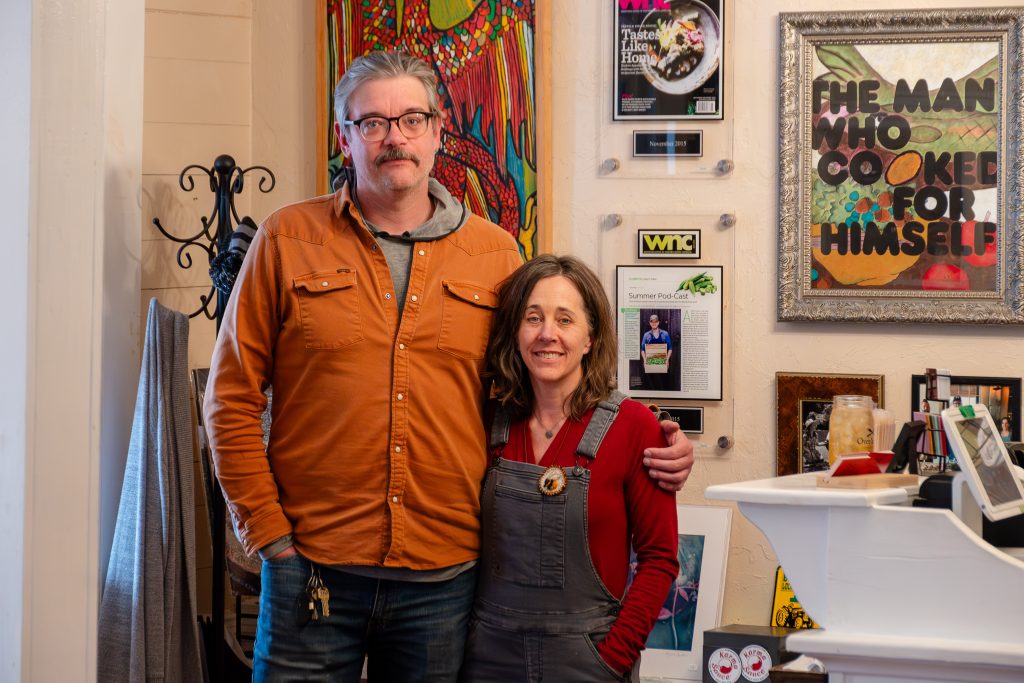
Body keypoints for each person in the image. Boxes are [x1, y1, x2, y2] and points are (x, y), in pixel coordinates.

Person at [203, 50, 694, 683]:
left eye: (411, 118)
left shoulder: (494, 253)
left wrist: (645, 441)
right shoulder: (287, 239)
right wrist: (267, 533)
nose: (393, 137)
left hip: (444, 581)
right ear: (344, 137)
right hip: (313, 567)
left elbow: (534, 380)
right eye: (373, 122)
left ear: (438, 130)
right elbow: (231, 397)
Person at [461, 255, 679, 682]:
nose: (547, 334)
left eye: (565, 320)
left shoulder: (636, 427)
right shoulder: (483, 419)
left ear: (589, 339)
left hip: (590, 660)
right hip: (487, 659)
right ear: (515, 332)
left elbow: (660, 559)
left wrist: (614, 658)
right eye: (533, 318)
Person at [640, 313, 673, 391]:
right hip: (650, 362)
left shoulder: (665, 334)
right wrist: (645, 361)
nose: (654, 323)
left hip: (662, 362)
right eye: (652, 322)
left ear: (658, 322)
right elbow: (642, 350)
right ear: (650, 323)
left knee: (662, 384)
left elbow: (670, 348)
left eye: (655, 321)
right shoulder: (646, 335)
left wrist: (667, 360)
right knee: (651, 384)